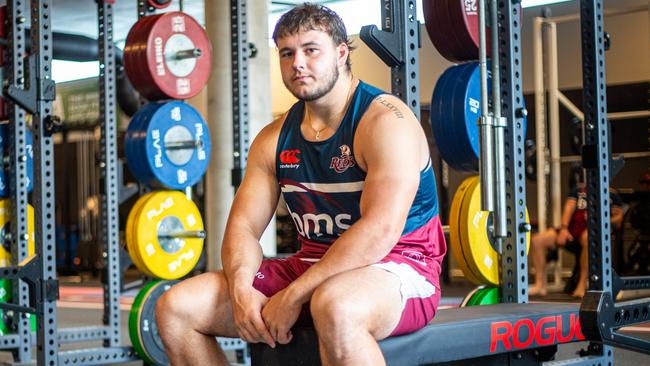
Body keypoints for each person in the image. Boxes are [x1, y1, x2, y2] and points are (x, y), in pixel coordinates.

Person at [155, 4, 447, 365]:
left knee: (337, 305)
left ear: (341, 53)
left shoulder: (385, 122)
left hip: (399, 267)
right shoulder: (273, 138)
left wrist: (293, 296)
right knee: (176, 308)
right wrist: (241, 286)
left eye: (311, 50)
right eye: (287, 53)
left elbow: (379, 232)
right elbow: (244, 227)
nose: (298, 63)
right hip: (312, 266)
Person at [529, 182, 623, 298]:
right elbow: (569, 206)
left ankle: (581, 286)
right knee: (538, 240)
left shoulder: (611, 193)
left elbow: (618, 220)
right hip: (572, 232)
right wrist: (564, 228)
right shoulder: (579, 189)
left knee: (589, 237)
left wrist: (600, 219)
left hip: (593, 234)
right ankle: (540, 286)